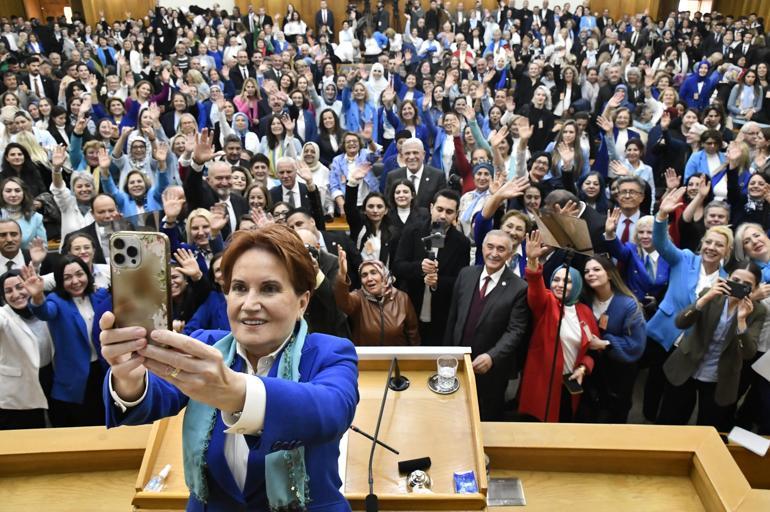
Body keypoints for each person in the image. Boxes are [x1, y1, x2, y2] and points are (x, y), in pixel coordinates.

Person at [100, 225, 359, 510]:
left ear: (302, 301)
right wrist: (129, 377)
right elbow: (153, 395)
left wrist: (237, 393)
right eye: (239, 288)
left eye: (269, 288)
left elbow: (330, 411)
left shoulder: (330, 352)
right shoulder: (204, 346)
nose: (249, 304)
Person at [659, 263, 765, 432]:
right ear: (727, 278)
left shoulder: (757, 311)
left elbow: (748, 352)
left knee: (708, 428)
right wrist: (704, 300)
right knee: (670, 421)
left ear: (754, 288)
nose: (738, 286)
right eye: (735, 280)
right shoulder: (710, 295)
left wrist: (741, 321)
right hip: (687, 364)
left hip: (720, 376)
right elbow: (680, 322)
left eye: (746, 285)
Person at [444, 230, 530, 420]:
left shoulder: (519, 287)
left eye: (501, 249)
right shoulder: (466, 274)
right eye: (490, 247)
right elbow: (453, 318)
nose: (494, 253)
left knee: (487, 420)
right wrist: (447, 353)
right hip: (458, 364)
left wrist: (492, 356)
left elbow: (516, 331)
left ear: (510, 253)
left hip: (493, 370)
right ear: (482, 248)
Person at [519, 230, 599, 422]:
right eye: (556, 279)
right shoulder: (546, 302)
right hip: (543, 383)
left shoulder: (585, 312)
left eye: (568, 281)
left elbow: (592, 350)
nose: (560, 285)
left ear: (578, 285)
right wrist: (532, 262)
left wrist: (583, 368)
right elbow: (535, 287)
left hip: (569, 382)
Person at [23, 257, 110, 427]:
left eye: (80, 274)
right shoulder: (57, 301)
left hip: (103, 369)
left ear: (88, 274)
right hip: (75, 378)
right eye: (67, 277)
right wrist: (38, 297)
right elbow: (45, 312)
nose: (75, 281)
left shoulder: (98, 295)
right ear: (60, 281)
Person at [393, 188, 470, 345]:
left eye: (449, 211)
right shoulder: (412, 231)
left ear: (456, 214)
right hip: (410, 307)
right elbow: (398, 266)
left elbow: (460, 280)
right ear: (431, 208)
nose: (443, 216)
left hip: (441, 313)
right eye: (439, 209)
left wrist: (437, 282)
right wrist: (419, 267)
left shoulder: (462, 243)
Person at [581, 255, 647, 423]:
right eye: (587, 271)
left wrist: (605, 343)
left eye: (596, 269)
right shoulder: (585, 301)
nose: (590, 274)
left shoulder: (629, 304)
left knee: (613, 417)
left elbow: (636, 345)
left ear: (609, 274)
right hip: (591, 369)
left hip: (619, 374)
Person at [334, 246, 420, 346]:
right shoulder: (359, 298)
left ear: (384, 276)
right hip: (368, 358)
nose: (369, 278)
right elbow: (343, 302)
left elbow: (413, 333)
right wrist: (342, 275)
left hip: (396, 358)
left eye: (374, 273)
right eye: (364, 275)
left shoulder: (402, 298)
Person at [0, 269, 53, 430]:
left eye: (19, 287)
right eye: (8, 291)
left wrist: (37, 286)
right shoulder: (4, 315)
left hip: (49, 375)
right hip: (18, 389)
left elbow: (55, 278)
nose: (16, 294)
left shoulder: (44, 307)